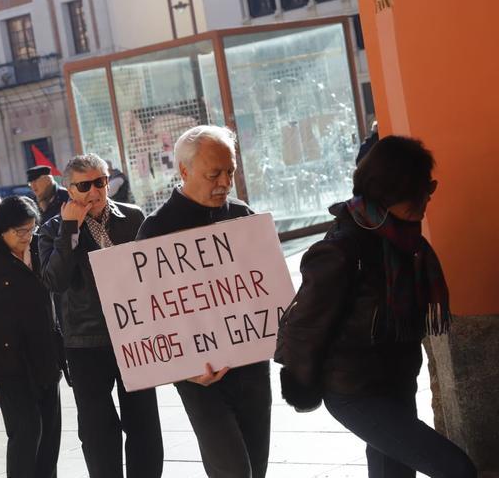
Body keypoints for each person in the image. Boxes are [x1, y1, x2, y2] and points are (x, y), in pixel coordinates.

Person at [276, 136, 476, 478]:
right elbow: (304, 325)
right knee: (456, 468)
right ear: (387, 193)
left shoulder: (407, 242)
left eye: (429, 188)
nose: (426, 198)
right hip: (355, 391)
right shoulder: (342, 250)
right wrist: (301, 386)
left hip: (397, 381)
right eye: (418, 191)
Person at [137, 125, 271, 478]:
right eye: (214, 173)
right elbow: (145, 317)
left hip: (253, 370)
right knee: (232, 471)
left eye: (230, 171)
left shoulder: (243, 216)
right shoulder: (155, 230)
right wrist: (181, 369)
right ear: (184, 171)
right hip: (201, 380)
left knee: (256, 469)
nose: (225, 181)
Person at [39, 154, 163, 478]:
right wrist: (70, 230)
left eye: (100, 182)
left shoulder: (133, 217)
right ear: (69, 190)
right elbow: (55, 281)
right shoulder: (51, 230)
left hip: (134, 335)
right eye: (84, 185)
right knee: (97, 432)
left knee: (145, 424)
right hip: (85, 342)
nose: (94, 191)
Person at [0, 196, 63, 478]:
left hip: (45, 356)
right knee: (27, 431)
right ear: (2, 230)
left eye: (30, 229)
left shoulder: (38, 249)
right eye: (20, 231)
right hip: (9, 362)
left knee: (50, 436)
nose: (26, 236)